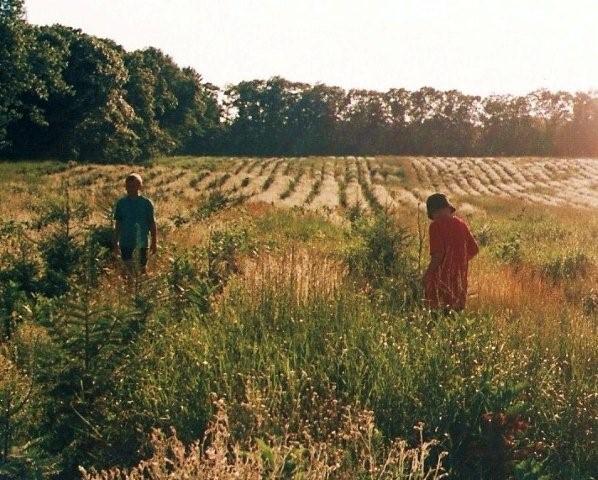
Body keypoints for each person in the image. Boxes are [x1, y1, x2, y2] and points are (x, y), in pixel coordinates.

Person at [423, 193, 478, 312]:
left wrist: (427, 275)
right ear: (448, 208)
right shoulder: (461, 224)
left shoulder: (435, 226)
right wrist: (459, 261)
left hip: (440, 283)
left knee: (437, 320)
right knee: (456, 318)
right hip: (459, 282)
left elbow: (438, 255)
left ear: (433, 212)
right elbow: (474, 249)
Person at [113, 173, 157, 274]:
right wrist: (115, 243)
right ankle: (129, 289)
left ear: (139, 186)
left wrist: (154, 242)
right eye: (128, 186)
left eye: (133, 186)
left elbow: (152, 223)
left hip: (142, 243)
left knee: (141, 271)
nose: (130, 188)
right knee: (127, 271)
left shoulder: (146, 203)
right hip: (125, 243)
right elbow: (118, 224)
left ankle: (140, 289)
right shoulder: (121, 203)